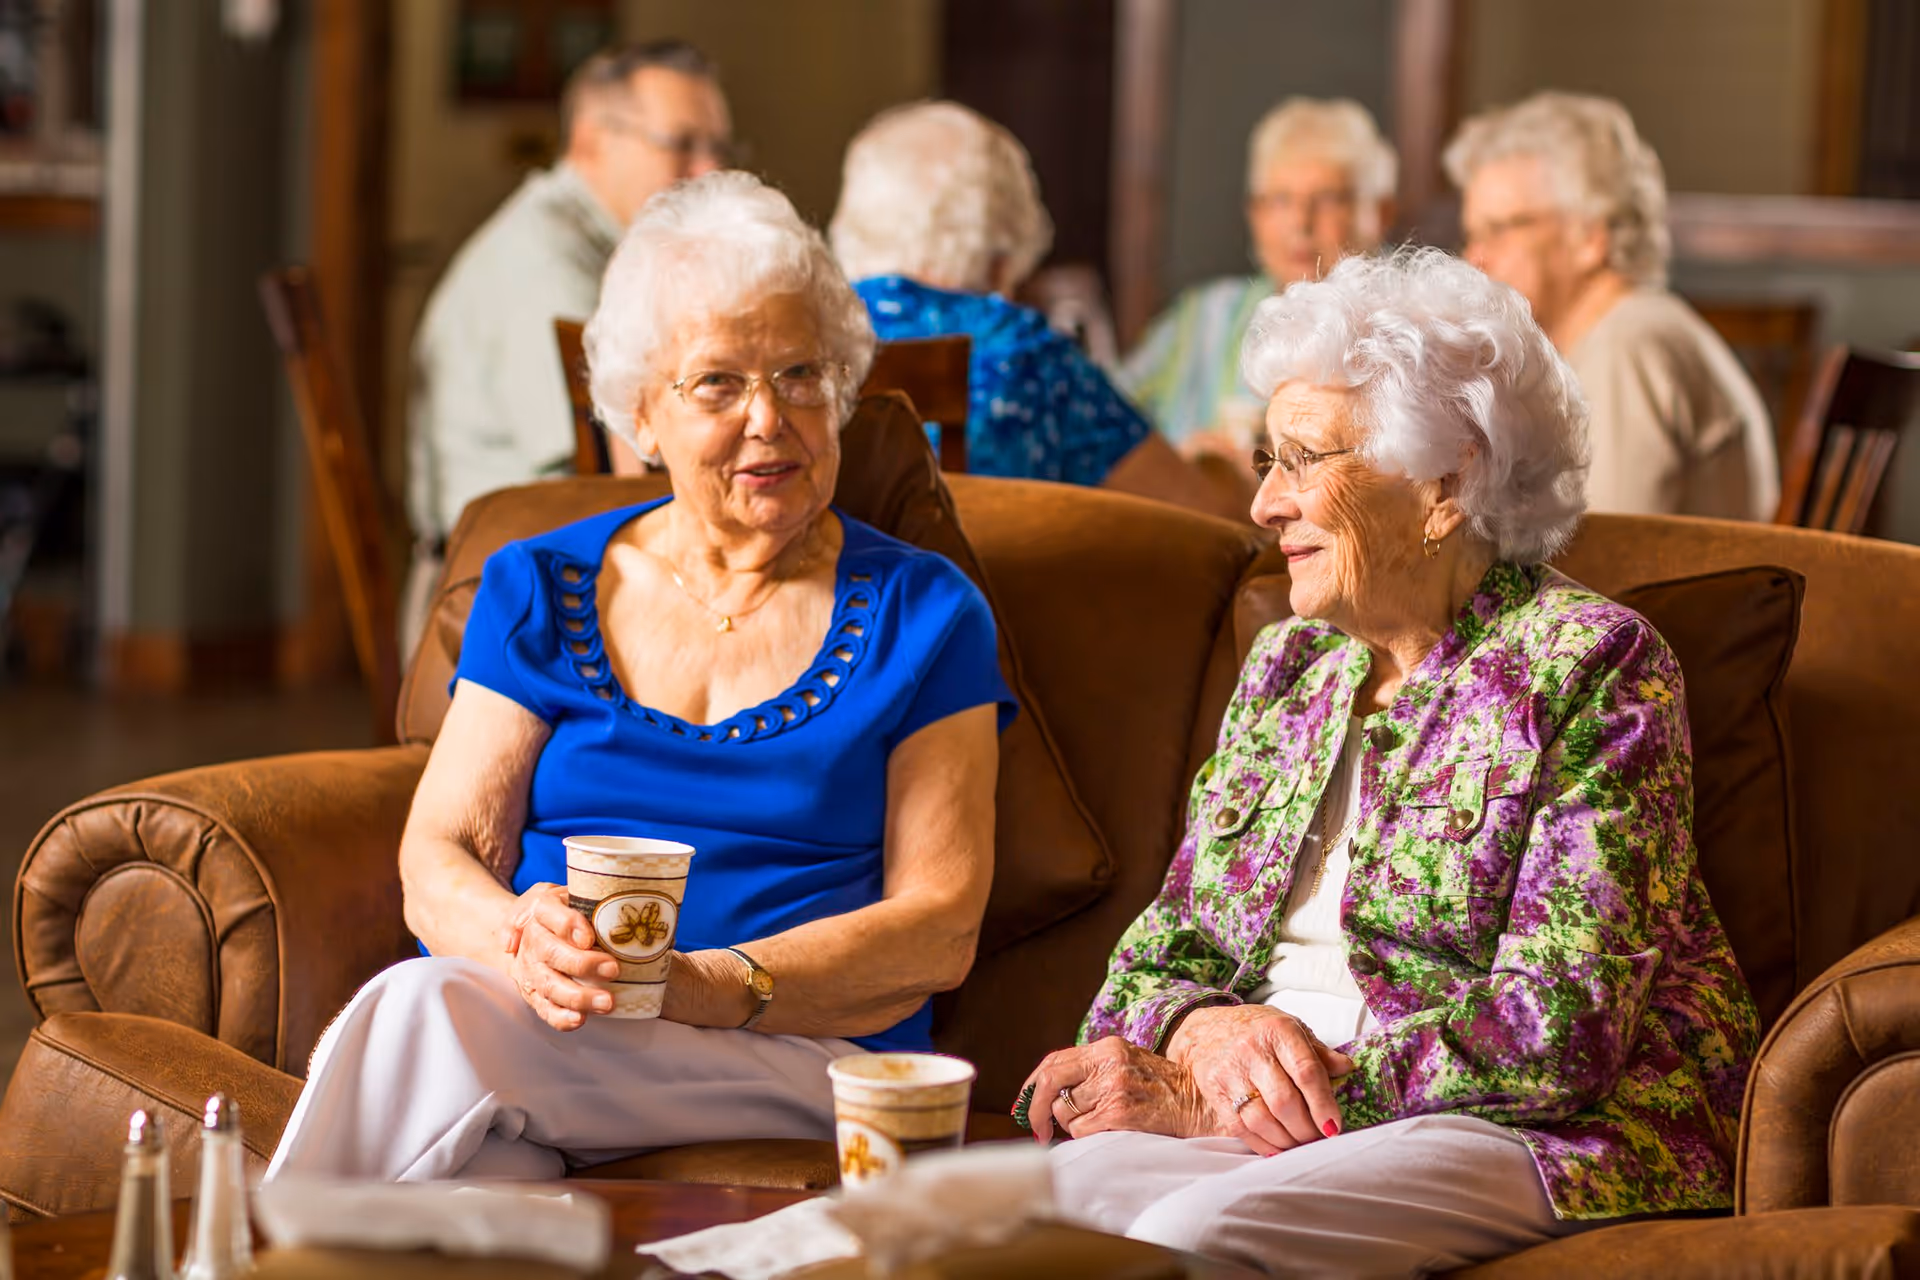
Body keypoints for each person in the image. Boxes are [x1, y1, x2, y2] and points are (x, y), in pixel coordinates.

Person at [1020, 249, 1759, 1277]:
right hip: (1272, 1107)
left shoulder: (1593, 664)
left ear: (1444, 483)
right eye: (1264, 459)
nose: (1265, 504)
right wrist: (1193, 1031)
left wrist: (1218, 1095)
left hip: (1525, 1128)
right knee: (999, 1217)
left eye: (1303, 459)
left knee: (1197, 1238)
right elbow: (1156, 957)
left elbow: (1559, 1026)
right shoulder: (1290, 665)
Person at [269, 172, 1013, 1181]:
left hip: (799, 1056)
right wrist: (518, 936)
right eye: (719, 383)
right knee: (473, 1195)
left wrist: (696, 982)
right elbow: (437, 854)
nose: (770, 418)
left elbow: (940, 925)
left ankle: (244, 1253)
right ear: (639, 416)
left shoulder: (925, 613)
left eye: (801, 375)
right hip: (555, 1039)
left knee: (422, 1012)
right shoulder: (542, 583)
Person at [402, 41, 732, 650]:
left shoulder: (611, 250)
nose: (709, 171)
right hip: (489, 610)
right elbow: (610, 469)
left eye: (718, 146)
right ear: (590, 142)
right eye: (682, 144)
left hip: (550, 571)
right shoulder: (545, 267)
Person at [829, 101, 1237, 518]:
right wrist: (1217, 467)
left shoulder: (811, 338)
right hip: (979, 586)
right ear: (1001, 254)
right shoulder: (1024, 354)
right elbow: (1201, 515)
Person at [1448, 91, 1779, 521]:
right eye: (1472, 234)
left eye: (1500, 229)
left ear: (1591, 237)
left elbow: (1608, 558)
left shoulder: (1628, 345)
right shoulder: (1630, 330)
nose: (1475, 258)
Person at [1118, 98, 1396, 458]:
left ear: (1382, 213)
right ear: (1253, 213)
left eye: (1328, 199)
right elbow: (1104, 419)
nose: (1300, 224)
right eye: (1279, 200)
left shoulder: (1406, 335)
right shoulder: (1204, 316)